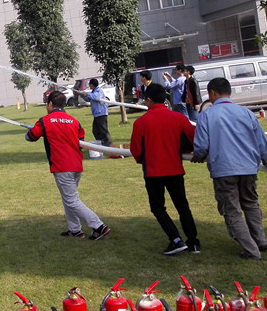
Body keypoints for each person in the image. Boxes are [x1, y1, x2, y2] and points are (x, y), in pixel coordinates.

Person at [192, 77, 267, 260]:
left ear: (212, 93)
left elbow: (201, 146)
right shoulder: (247, 113)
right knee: (250, 203)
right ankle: (261, 240)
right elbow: (262, 143)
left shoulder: (207, 115)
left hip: (224, 169)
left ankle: (251, 250)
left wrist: (198, 156)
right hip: (249, 168)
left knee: (231, 210)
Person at [25, 90, 111, 240]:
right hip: (76, 165)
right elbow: (81, 141)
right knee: (69, 199)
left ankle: (99, 226)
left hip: (62, 166)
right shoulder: (74, 121)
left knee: (71, 200)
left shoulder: (45, 120)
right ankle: (75, 229)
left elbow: (30, 137)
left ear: (50, 104)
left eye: (47, 104)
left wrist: (31, 131)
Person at [130, 83, 199, 255]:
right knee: (182, 206)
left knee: (158, 207)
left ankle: (175, 239)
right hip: (175, 169)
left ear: (149, 100)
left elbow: (136, 150)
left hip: (153, 172)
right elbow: (192, 140)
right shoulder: (179, 118)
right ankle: (193, 242)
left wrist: (142, 160)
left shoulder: (141, 122)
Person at [82, 78, 113, 147]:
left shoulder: (98, 91)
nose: (89, 86)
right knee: (95, 130)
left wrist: (86, 94)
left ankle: (108, 144)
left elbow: (96, 97)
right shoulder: (93, 92)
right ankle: (100, 143)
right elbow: (88, 99)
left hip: (101, 114)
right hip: (96, 115)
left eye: (89, 84)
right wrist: (81, 94)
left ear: (92, 84)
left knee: (103, 130)